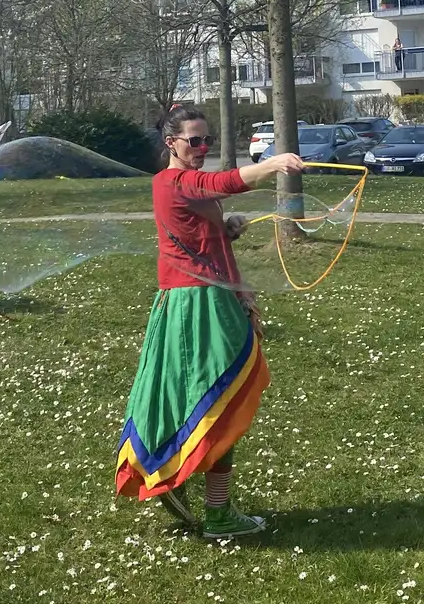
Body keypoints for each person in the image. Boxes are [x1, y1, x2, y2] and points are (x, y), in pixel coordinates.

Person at [115, 105, 306, 539]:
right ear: (171, 144)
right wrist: (272, 163)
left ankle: (177, 476)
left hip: (204, 298)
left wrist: (226, 231)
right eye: (194, 141)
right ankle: (206, 504)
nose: (203, 148)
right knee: (222, 399)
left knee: (215, 399)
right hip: (197, 306)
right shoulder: (175, 181)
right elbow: (221, 182)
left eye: (208, 141)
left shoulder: (179, 185)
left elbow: (194, 234)